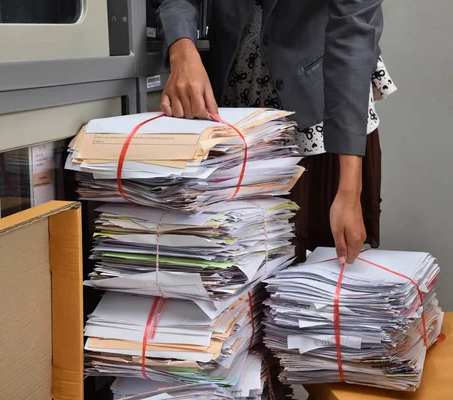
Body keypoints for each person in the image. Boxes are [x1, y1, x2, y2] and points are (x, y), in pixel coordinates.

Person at [156, 0, 396, 264]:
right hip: (235, 102)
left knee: (320, 268)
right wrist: (182, 49)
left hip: (326, 110)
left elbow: (353, 35)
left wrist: (349, 192)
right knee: (236, 262)